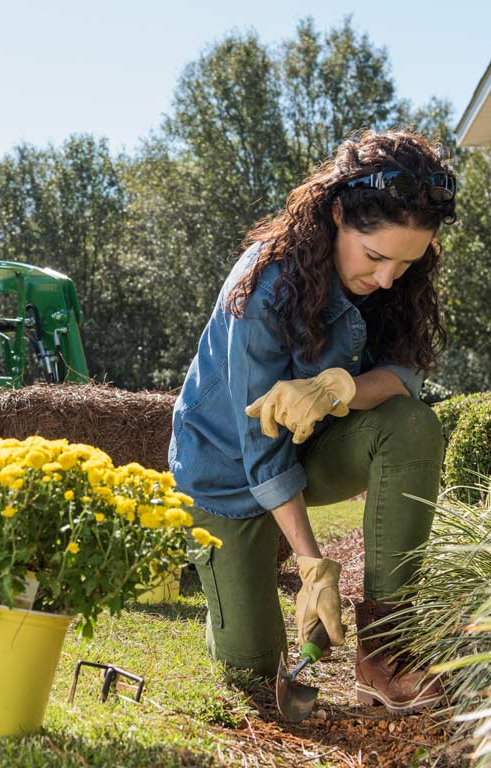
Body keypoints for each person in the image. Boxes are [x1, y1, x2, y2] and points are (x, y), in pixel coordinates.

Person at [168, 129, 455, 713]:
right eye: (375, 257)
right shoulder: (265, 287)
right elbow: (260, 449)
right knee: (256, 680)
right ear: (337, 214)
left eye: (406, 261)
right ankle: (230, 593)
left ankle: (386, 648)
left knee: (412, 424)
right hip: (228, 478)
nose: (386, 280)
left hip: (317, 451)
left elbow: (405, 377)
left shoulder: (396, 281)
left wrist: (339, 388)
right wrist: (310, 563)